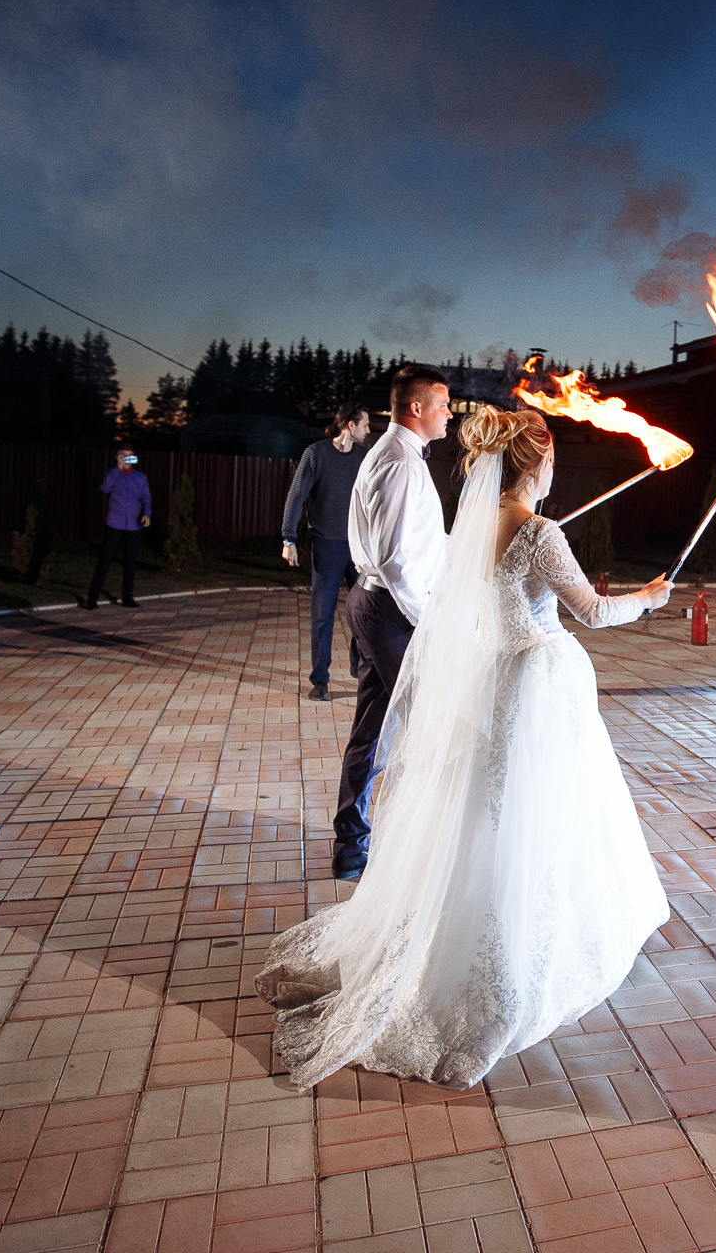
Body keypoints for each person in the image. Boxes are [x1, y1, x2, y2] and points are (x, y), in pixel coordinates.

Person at [254, 406, 674, 1090]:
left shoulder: (470, 530)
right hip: (537, 681)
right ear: (535, 460)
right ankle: (497, 983)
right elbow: (592, 612)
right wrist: (651, 597)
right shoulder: (538, 532)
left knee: (487, 816)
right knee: (535, 817)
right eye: (551, 453)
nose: (554, 462)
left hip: (495, 681)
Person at [331, 365, 451, 880]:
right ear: (416, 408)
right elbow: (395, 558)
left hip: (377, 603)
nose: (450, 413)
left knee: (375, 728)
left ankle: (351, 846)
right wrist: (429, 621)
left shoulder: (396, 457)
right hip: (390, 610)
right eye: (443, 404)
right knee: (435, 721)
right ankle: (418, 847)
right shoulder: (399, 462)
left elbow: (417, 547)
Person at [281, 404, 372, 700]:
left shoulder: (363, 458)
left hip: (358, 546)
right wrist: (288, 538)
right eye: (365, 425)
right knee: (322, 615)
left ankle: (358, 665)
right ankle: (320, 680)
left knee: (363, 609)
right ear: (349, 425)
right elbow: (297, 496)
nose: (368, 430)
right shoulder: (316, 454)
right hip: (327, 545)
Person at [84, 444, 152, 610]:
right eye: (124, 456)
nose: (127, 459)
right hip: (115, 523)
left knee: (130, 562)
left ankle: (127, 597)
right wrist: (117, 469)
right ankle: (92, 598)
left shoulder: (140, 477)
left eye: (130, 456)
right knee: (105, 560)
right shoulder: (112, 475)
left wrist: (147, 514)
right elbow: (105, 488)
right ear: (118, 457)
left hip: (134, 525)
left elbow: (146, 498)